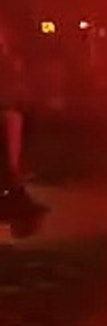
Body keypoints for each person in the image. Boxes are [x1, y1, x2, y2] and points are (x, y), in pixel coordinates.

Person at [0, 24, 45, 227]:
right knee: (9, 162)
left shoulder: (8, 61)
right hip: (7, 112)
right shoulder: (7, 62)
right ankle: (15, 200)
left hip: (8, 111)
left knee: (10, 162)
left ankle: (15, 199)